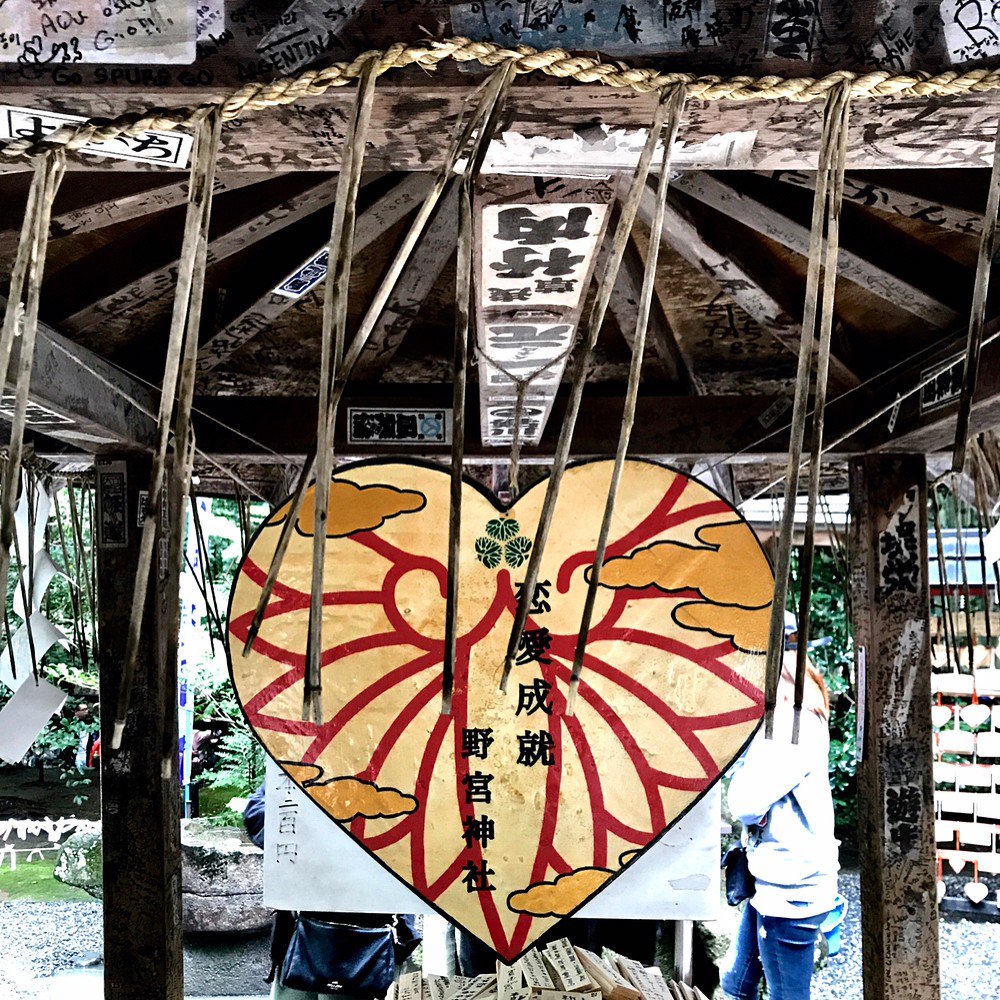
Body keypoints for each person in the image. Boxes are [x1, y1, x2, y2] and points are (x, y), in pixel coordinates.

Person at [720, 652, 840, 1000]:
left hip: (791, 891)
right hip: (774, 883)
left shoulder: (795, 729)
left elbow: (743, 802)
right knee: (736, 984)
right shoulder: (791, 725)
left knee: (786, 994)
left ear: (783, 687)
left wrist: (751, 801)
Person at [244, 783, 419, 1000]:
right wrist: (305, 826)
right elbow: (257, 811)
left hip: (364, 933)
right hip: (300, 926)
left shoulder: (394, 773)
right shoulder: (300, 767)